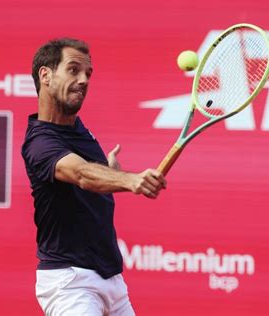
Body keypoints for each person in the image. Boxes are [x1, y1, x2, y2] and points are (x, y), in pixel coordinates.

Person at [21, 38, 167, 315]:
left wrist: (113, 173)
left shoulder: (78, 129)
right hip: (70, 283)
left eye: (88, 73)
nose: (84, 79)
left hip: (112, 280)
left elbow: (92, 177)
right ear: (46, 75)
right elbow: (81, 174)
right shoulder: (40, 143)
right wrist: (130, 180)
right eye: (74, 70)